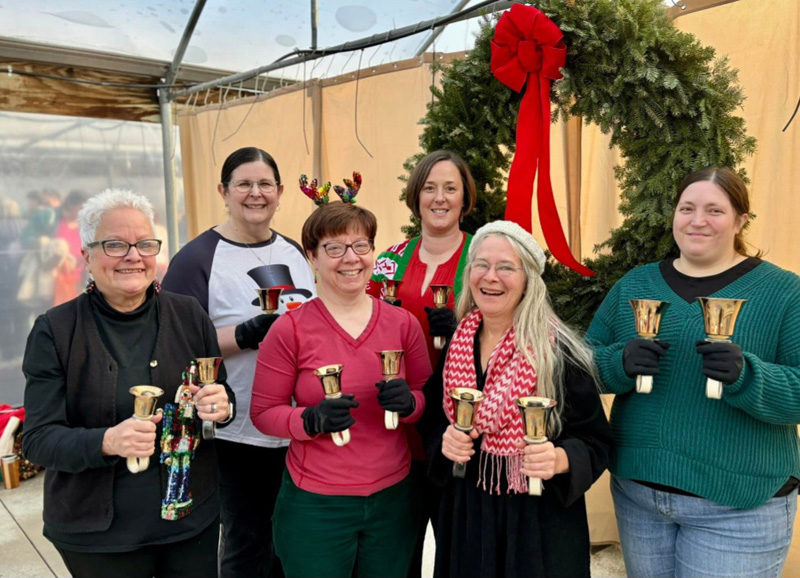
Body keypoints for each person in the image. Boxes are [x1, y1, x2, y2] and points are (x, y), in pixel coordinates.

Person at [586, 166, 800, 578]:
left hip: (740, 507)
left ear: (741, 220)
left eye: (714, 210)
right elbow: (583, 368)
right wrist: (618, 364)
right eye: (687, 208)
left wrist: (748, 377)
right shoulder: (635, 285)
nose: (697, 220)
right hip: (640, 497)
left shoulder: (784, 292)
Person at [21, 189, 234, 578]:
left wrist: (223, 405)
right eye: (115, 245)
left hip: (189, 520)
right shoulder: (56, 330)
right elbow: (38, 440)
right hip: (98, 535)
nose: (133, 256)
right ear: (87, 255)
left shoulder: (188, 314)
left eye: (145, 244)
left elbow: (217, 393)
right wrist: (107, 441)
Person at [251, 201, 432, 578]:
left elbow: (426, 397)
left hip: (391, 500)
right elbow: (264, 413)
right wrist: (309, 419)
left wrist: (410, 403)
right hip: (316, 504)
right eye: (334, 248)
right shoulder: (290, 330)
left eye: (361, 245)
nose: (351, 258)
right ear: (312, 257)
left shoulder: (403, 325)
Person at [427, 220, 612, 578]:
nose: (490, 277)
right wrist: (444, 441)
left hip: (536, 527)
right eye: (481, 264)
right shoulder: (458, 345)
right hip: (468, 519)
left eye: (506, 267)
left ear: (528, 280)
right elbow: (434, 422)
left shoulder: (557, 353)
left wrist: (559, 459)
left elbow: (598, 441)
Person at [162, 147, 315, 578]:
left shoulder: (294, 252)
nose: (255, 193)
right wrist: (242, 336)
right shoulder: (196, 259)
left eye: (265, 184)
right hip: (236, 431)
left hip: (295, 426)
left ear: (281, 192)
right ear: (223, 192)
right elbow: (175, 346)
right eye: (244, 184)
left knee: (293, 541)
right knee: (247, 545)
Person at [365, 150, 477, 575]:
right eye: (429, 187)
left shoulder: (483, 254)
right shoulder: (390, 259)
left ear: (465, 198)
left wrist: (465, 325)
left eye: (450, 188)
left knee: (457, 548)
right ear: (415, 196)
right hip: (397, 425)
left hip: (458, 427)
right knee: (398, 551)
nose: (439, 198)